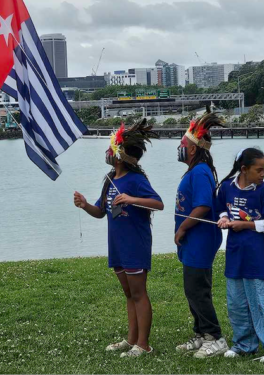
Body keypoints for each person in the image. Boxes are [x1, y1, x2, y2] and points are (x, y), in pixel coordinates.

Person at [73, 119, 163, 358]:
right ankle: (131, 339)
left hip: (135, 244)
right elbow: (101, 211)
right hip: (117, 246)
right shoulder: (110, 179)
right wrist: (84, 206)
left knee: (139, 293)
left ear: (120, 155)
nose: (107, 152)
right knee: (128, 294)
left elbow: (158, 203)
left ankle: (143, 344)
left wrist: (132, 199)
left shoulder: (135, 180)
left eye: (111, 147)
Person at [216, 148, 264, 363]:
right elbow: (221, 207)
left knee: (261, 301)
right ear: (244, 169)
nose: (262, 174)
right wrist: (223, 218)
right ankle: (244, 344)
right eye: (259, 170)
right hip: (234, 254)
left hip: (257, 255)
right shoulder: (226, 187)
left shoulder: (263, 190)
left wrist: (244, 224)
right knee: (236, 302)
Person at [174, 111, 228, 358]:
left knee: (198, 289)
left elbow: (203, 205)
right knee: (191, 288)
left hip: (200, 239)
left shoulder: (200, 171)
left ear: (194, 149)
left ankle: (215, 337)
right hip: (192, 241)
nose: (180, 148)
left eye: (183, 144)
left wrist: (183, 228)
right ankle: (200, 333)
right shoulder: (196, 170)